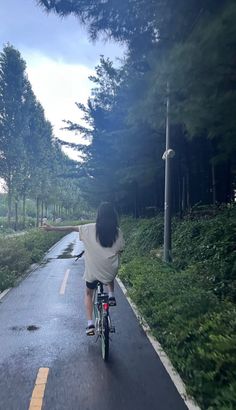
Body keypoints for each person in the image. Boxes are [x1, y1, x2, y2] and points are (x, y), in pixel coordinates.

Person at [42, 202, 124, 336]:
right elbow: (120, 250)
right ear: (114, 216)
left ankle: (90, 324)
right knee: (110, 270)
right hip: (110, 272)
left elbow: (71, 228)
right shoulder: (118, 232)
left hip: (93, 273)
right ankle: (111, 296)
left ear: (99, 216)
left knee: (88, 293)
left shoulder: (89, 228)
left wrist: (52, 228)